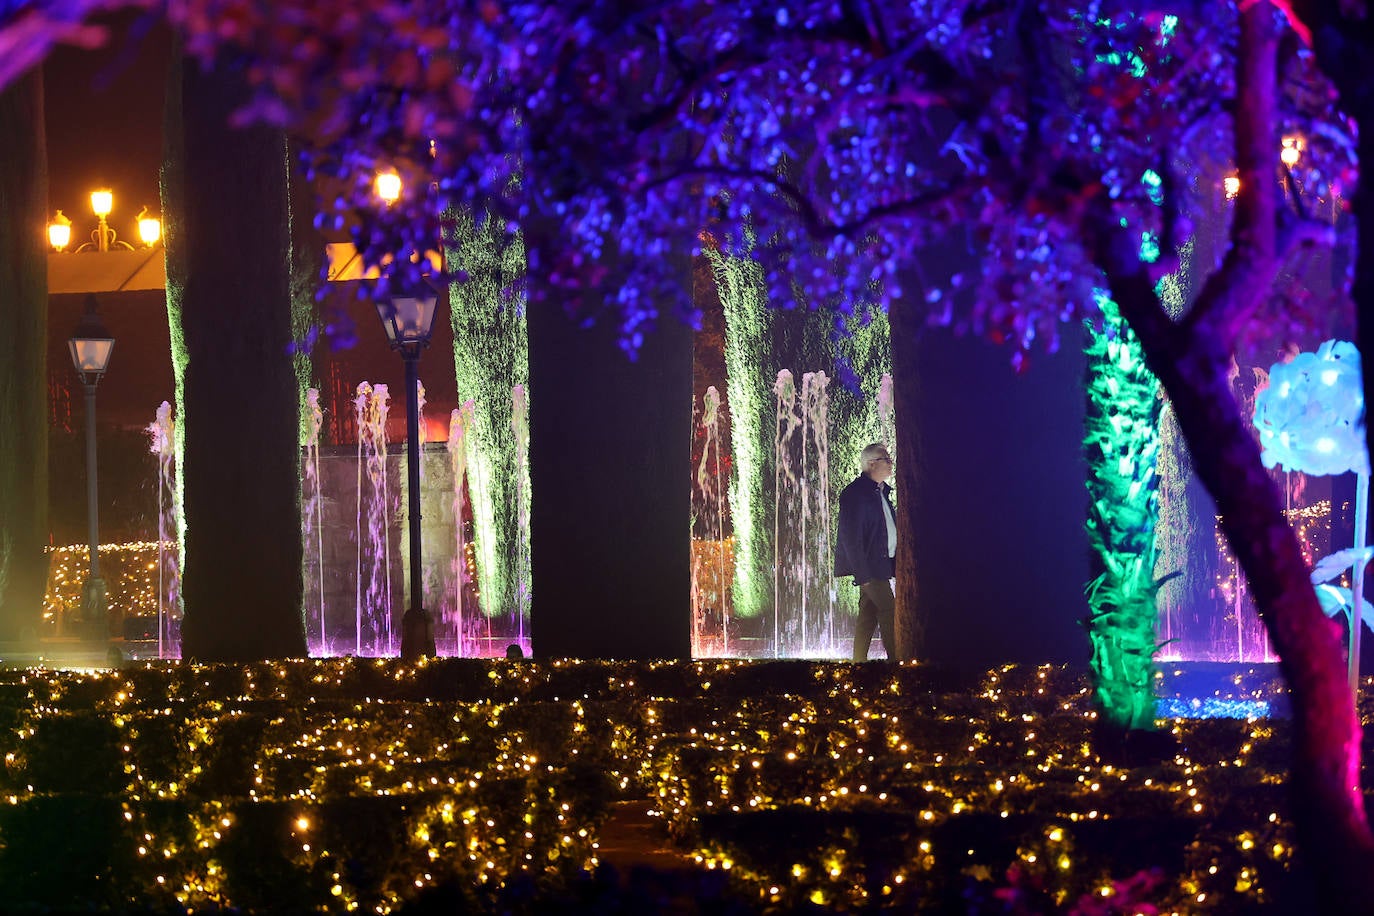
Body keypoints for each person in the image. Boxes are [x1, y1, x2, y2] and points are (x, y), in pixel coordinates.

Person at [834, 443, 897, 661]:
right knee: (891, 611)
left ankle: (858, 663)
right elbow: (850, 538)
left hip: (881, 564)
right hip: (870, 567)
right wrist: (862, 575)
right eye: (886, 459)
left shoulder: (880, 492)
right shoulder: (855, 494)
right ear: (871, 464)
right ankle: (897, 663)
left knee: (868, 616)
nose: (891, 463)